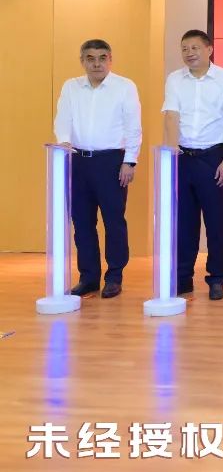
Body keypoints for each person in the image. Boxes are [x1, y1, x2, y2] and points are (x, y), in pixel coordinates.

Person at [54, 39, 142, 299]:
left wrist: (130, 161)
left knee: (114, 221)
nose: (96, 63)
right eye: (90, 58)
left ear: (110, 59)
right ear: (82, 61)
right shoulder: (71, 87)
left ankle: (114, 276)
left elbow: (133, 127)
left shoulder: (124, 87)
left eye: (102, 58)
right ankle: (88, 277)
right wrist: (63, 144)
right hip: (78, 161)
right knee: (82, 222)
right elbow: (62, 120)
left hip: (111, 162)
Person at [163, 29, 223, 300]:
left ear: (209, 49)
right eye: (184, 48)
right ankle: (183, 277)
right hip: (182, 157)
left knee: (216, 222)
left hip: (213, 158)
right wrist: (172, 155)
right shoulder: (175, 79)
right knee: (183, 222)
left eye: (195, 48)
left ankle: (217, 277)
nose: (189, 53)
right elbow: (171, 117)